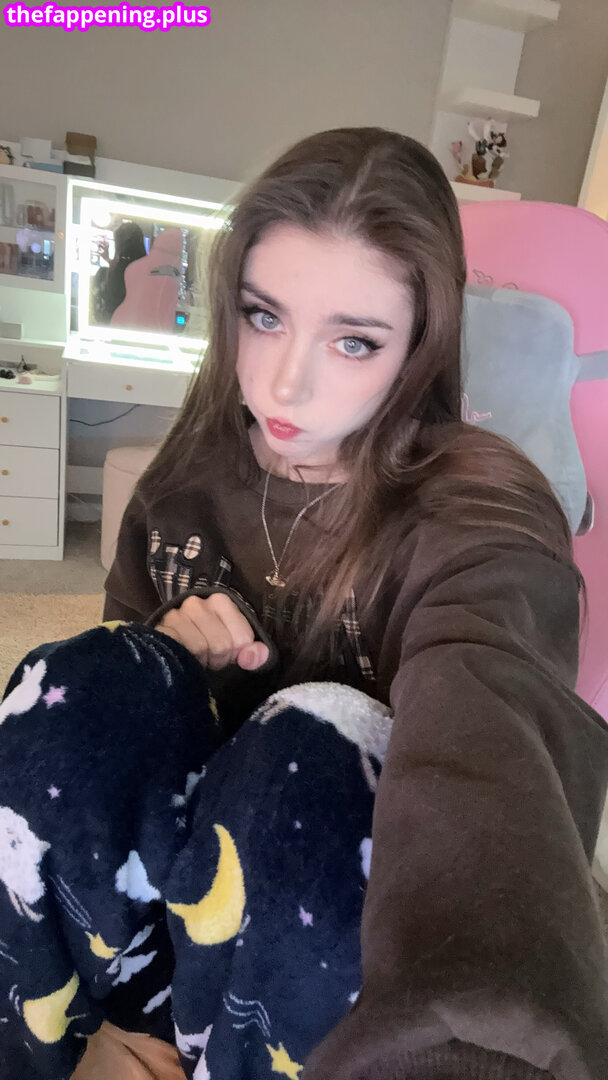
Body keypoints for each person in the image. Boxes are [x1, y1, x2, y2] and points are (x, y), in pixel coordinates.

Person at [1, 127, 608, 1080]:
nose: (286, 382)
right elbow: (101, 742)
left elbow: (492, 752)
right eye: (265, 316)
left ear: (419, 348)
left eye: (354, 341)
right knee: (74, 678)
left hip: (310, 956)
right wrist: (164, 653)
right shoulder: (186, 478)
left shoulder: (480, 514)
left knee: (314, 735)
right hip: (162, 915)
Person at [90, 220, 147, 325]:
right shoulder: (149, 278)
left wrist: (111, 262)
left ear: (117, 247)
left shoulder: (103, 277)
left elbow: (97, 314)